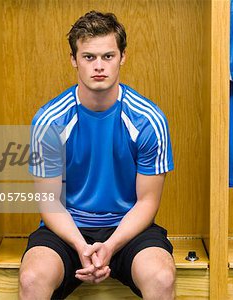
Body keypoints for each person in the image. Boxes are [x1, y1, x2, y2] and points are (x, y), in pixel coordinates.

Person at [19, 11, 175, 299]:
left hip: (128, 229)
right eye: (89, 57)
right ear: (73, 59)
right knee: (32, 278)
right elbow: (49, 202)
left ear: (122, 57)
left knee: (162, 277)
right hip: (68, 229)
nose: (99, 66)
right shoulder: (50, 121)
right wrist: (81, 246)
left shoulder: (148, 120)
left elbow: (147, 201)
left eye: (108, 56)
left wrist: (111, 246)